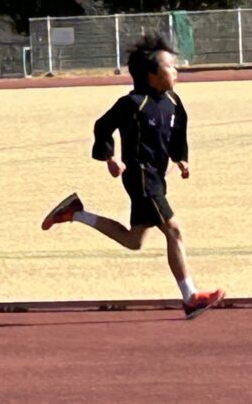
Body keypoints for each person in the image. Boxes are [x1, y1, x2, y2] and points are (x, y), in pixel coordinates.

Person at [41, 33, 224, 319]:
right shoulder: (132, 103)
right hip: (140, 177)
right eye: (170, 67)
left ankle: (74, 213)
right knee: (173, 230)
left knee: (133, 241)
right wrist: (110, 158)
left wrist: (181, 158)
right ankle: (190, 298)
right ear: (151, 74)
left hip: (157, 177)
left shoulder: (173, 102)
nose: (176, 71)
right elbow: (103, 126)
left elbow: (178, 132)